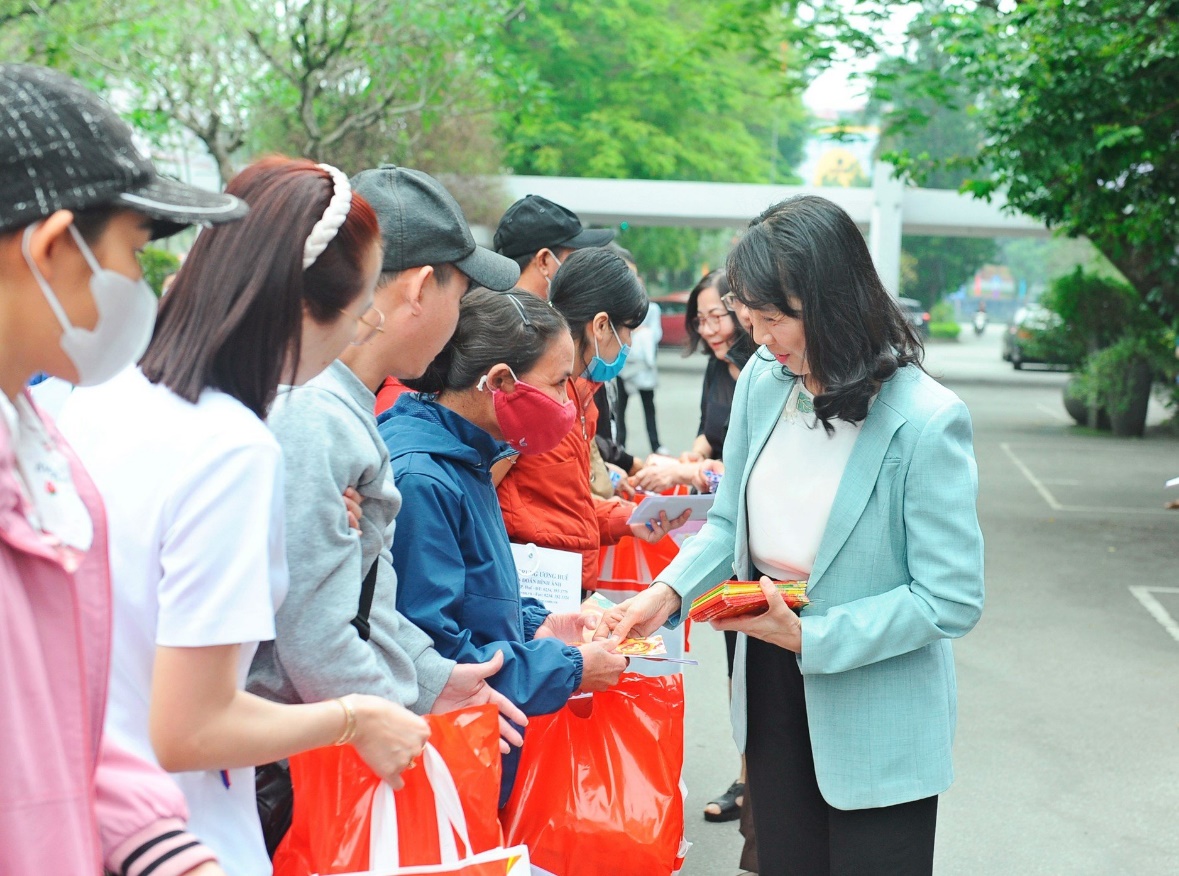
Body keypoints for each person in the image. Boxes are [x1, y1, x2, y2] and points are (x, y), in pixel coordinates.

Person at [57, 157, 433, 876]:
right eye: (362, 312)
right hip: (181, 835)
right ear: (300, 309)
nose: (366, 328)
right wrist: (357, 718)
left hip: (87, 819)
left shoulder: (100, 400)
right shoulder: (233, 450)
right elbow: (192, 728)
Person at [602, 195, 985, 876]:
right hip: (770, 673)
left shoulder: (925, 421)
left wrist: (813, 636)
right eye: (755, 319)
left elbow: (949, 598)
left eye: (776, 320)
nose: (763, 338)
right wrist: (663, 595)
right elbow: (729, 525)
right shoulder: (762, 381)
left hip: (871, 695)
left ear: (834, 303)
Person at [0, 63, 247, 876]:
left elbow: (55, 722)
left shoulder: (36, 443)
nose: (141, 285)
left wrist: (163, 850)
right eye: (133, 252)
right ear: (48, 249)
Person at [248, 165, 529, 845]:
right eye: (460, 295)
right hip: (285, 765)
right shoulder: (315, 413)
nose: (459, 320)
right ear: (419, 287)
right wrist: (400, 714)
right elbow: (315, 632)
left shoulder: (343, 403)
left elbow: (359, 588)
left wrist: (433, 678)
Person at [381, 288, 627, 804]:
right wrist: (572, 668)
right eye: (559, 383)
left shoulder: (467, 456)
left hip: (478, 740)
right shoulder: (424, 479)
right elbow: (437, 657)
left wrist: (538, 623)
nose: (566, 403)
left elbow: (476, 596)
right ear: (498, 381)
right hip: (446, 755)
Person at [496, 247, 690, 594]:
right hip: (531, 589)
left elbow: (569, 507)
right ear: (601, 325)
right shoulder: (533, 394)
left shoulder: (582, 394)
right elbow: (486, 497)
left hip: (566, 584)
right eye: (628, 330)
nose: (629, 343)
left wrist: (629, 519)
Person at [492, 193, 615, 299]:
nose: (580, 269)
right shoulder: (517, 323)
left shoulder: (492, 313)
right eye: (573, 259)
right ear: (544, 261)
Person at [617, 297, 665, 454]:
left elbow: (656, 334)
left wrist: (643, 332)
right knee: (620, 409)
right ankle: (619, 444)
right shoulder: (622, 305)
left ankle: (655, 445)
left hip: (644, 369)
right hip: (623, 369)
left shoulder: (651, 309)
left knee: (649, 408)